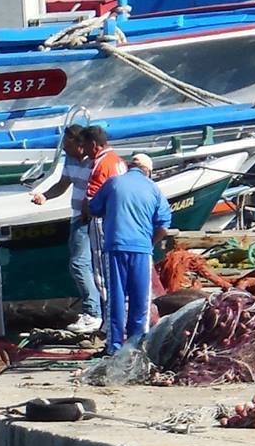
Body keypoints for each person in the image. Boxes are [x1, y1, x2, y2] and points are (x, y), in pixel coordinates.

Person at [88, 153, 171, 354]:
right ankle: (137, 346)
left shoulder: (113, 183)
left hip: (115, 247)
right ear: (148, 171)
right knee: (140, 299)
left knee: (115, 298)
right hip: (141, 249)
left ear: (128, 166)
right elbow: (164, 225)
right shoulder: (153, 189)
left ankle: (114, 347)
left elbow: (93, 208)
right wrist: (150, 242)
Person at [30, 125, 103, 334]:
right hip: (76, 217)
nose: (63, 150)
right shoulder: (71, 160)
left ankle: (93, 312)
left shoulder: (95, 161)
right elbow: (63, 183)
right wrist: (44, 195)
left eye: (67, 145)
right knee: (81, 265)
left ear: (80, 145)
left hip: (90, 218)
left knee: (80, 264)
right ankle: (95, 310)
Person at [80, 125, 128, 336]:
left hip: (102, 220)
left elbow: (92, 198)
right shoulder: (119, 161)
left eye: (86, 146)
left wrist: (85, 214)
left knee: (102, 272)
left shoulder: (101, 163)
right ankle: (120, 317)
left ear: (93, 144)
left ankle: (110, 321)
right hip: (120, 220)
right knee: (118, 271)